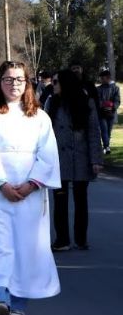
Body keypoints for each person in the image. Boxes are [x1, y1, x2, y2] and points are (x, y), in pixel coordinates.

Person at [0, 61, 61, 315]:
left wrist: (32, 183)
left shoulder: (40, 117)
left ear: (27, 83)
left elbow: (48, 154)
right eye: (8, 79)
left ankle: (19, 307)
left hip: (29, 195)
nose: (14, 85)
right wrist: (1, 184)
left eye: (19, 79)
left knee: (25, 249)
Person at [46, 69, 103, 251]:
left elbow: (94, 132)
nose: (53, 86)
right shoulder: (51, 102)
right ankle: (62, 239)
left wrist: (96, 159)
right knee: (60, 201)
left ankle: (81, 238)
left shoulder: (86, 102)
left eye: (56, 82)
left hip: (81, 157)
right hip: (59, 158)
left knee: (81, 200)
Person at [96, 69, 120, 155]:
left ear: (108, 78)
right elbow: (97, 100)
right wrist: (103, 105)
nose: (101, 80)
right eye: (101, 78)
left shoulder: (115, 88)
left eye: (103, 78)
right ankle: (107, 146)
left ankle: (106, 146)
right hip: (102, 113)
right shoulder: (98, 89)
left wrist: (112, 107)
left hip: (111, 113)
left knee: (109, 131)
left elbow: (117, 100)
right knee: (104, 129)